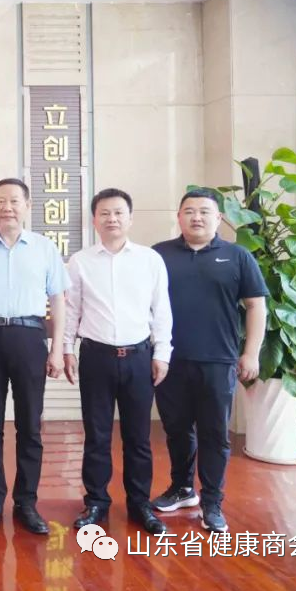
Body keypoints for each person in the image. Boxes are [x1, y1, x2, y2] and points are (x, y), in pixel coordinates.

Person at [151, 189, 268, 533]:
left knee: (214, 433)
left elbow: (256, 306)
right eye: (189, 211)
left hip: (218, 361)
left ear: (218, 218)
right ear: (179, 217)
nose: (196, 217)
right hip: (169, 360)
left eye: (204, 211)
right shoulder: (159, 255)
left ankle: (212, 501)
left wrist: (251, 352)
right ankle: (182, 488)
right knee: (176, 429)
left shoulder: (237, 256)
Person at [0, 178, 68, 535]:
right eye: (1, 200)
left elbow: (58, 300)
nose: (7, 207)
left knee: (29, 425)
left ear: (27, 206)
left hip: (29, 335)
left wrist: (57, 349)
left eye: (15, 201)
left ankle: (26, 502)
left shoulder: (44, 248)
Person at [62, 188, 172, 535]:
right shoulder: (80, 261)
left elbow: (161, 310)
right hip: (96, 357)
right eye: (105, 213)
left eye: (119, 212)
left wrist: (162, 353)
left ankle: (139, 503)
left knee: (138, 437)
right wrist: (66, 348)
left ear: (130, 218)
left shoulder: (149, 260)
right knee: (96, 435)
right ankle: (96, 501)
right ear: (94, 220)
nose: (112, 219)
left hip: (139, 357)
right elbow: (71, 309)